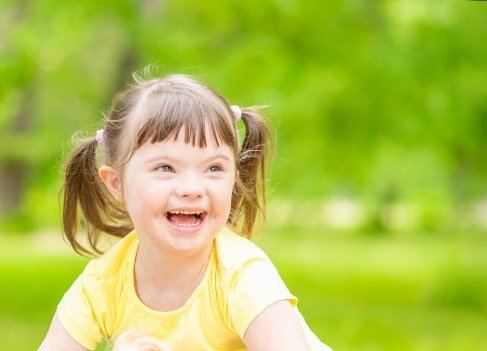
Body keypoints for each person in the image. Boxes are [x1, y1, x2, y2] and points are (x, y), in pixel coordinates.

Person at [38, 73, 333, 351]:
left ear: (234, 177)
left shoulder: (242, 276)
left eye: (213, 168)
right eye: (165, 168)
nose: (192, 188)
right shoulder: (103, 285)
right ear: (117, 183)